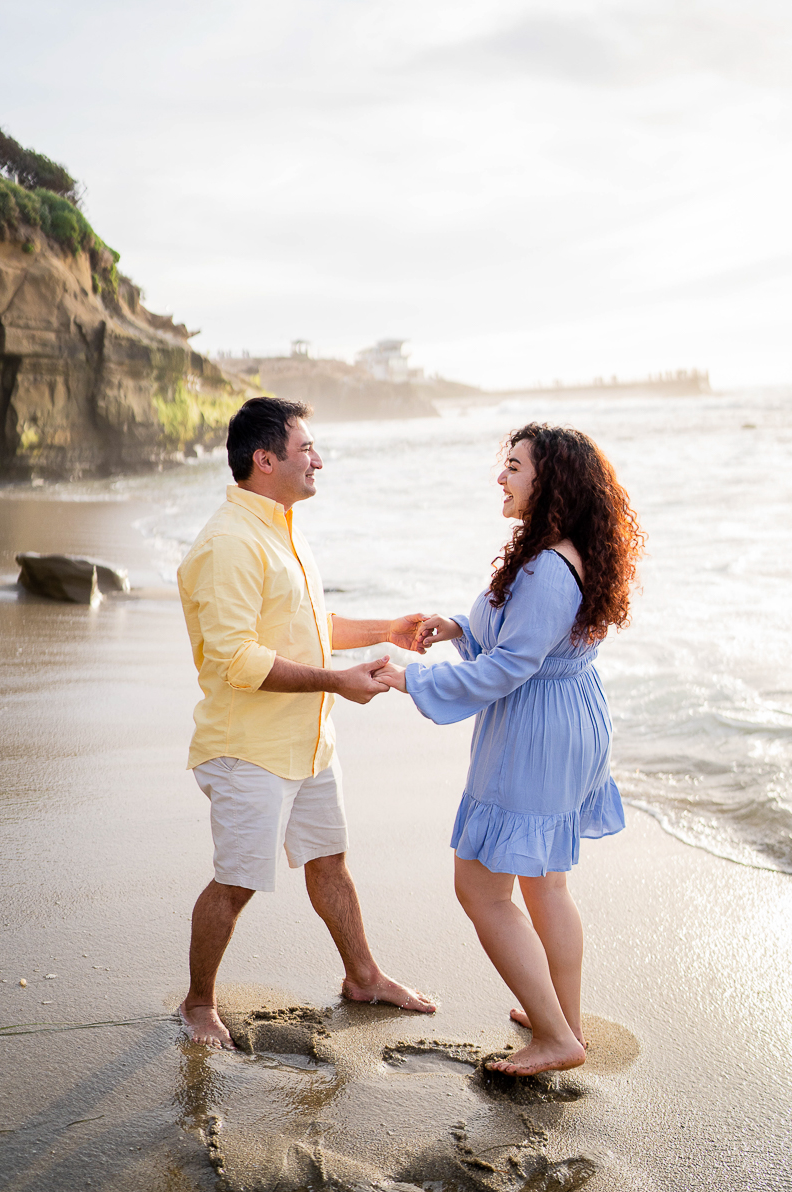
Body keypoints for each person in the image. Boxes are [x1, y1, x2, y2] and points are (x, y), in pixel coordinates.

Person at [377, 422, 644, 1076]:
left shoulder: (549, 568)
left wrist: (413, 678)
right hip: (566, 717)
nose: (501, 477)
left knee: (481, 886)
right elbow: (524, 643)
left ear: (547, 480)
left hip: (537, 731)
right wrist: (458, 628)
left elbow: (509, 668)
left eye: (515, 467)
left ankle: (556, 1038)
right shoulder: (563, 551)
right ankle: (562, 1021)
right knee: (545, 884)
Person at [176, 396, 436, 1048]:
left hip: (307, 740)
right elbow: (237, 660)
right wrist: (336, 682)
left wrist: (387, 630)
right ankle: (198, 1004)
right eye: (306, 448)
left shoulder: (282, 527)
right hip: (249, 749)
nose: (318, 459)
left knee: (328, 862)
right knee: (235, 883)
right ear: (265, 460)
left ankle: (363, 976)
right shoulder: (229, 542)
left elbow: (307, 626)